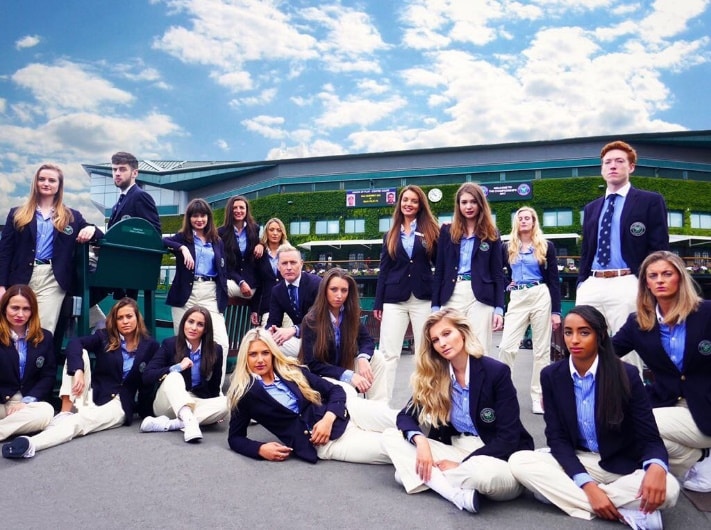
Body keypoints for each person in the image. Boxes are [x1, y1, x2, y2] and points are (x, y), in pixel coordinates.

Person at [509, 305, 679, 527]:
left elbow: (649, 437)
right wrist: (588, 486)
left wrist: (656, 467)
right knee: (520, 461)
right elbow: (557, 438)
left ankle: (563, 496)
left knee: (670, 489)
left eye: (584, 332)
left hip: (622, 466)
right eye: (568, 332)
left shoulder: (626, 375)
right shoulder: (551, 376)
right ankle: (621, 510)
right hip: (579, 460)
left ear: (600, 335)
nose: (574, 340)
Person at [382, 308, 533, 514]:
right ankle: (458, 494)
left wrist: (461, 464)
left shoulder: (496, 372)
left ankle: (433, 480)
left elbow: (509, 437)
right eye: (435, 340)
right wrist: (421, 441)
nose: (442, 343)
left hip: (495, 456)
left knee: (478, 476)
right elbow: (405, 416)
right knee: (391, 437)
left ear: (462, 332)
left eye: (446, 334)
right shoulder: (436, 376)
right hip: (456, 446)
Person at [2, 298, 159, 459]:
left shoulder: (150, 345)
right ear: (114, 321)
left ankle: (31, 444)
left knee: (79, 422)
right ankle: (65, 412)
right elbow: (75, 343)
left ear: (137, 318)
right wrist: (77, 371)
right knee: (79, 353)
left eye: (129, 316)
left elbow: (148, 380)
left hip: (119, 404)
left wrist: (146, 411)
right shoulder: (104, 336)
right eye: (120, 318)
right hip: (92, 395)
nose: (125, 321)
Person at [613, 251, 711, 492]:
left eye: (667, 274)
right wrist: (560, 378)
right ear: (645, 282)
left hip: (706, 408)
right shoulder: (638, 322)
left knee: (638, 424)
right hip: (668, 403)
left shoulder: (707, 313)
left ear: (680, 278)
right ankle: (697, 462)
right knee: (636, 431)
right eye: (653, 275)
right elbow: (606, 353)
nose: (660, 280)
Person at [227, 328, 396, 464]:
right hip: (327, 443)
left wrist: (328, 419)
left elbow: (335, 390)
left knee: (399, 420)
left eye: (265, 352)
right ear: (245, 358)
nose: (260, 360)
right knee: (390, 446)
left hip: (349, 411)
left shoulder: (292, 371)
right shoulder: (244, 394)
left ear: (272, 353)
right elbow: (235, 438)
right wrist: (260, 449)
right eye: (253, 354)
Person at [576, 140, 669, 375]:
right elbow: (587, 250)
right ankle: (589, 402)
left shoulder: (650, 201)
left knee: (627, 353)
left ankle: (629, 406)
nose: (613, 166)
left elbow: (659, 249)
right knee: (584, 347)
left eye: (619, 161)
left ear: (632, 167)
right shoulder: (591, 208)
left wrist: (648, 286)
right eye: (608, 162)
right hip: (593, 283)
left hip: (627, 281)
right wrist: (581, 282)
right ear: (602, 169)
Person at [0, 164, 101, 333]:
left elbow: (98, 234)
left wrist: (92, 229)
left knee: (43, 328)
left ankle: (38, 359)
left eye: (52, 180)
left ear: (59, 186)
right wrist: (1, 285)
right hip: (20, 276)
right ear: (35, 183)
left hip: (53, 278)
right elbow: (5, 252)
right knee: (14, 327)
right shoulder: (17, 213)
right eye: (42, 179)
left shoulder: (71, 216)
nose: (46, 183)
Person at [374, 185, 439, 400]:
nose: (408, 204)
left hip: (423, 298)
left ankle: (424, 403)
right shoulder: (390, 235)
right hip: (394, 299)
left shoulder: (431, 231)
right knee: (387, 354)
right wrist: (378, 303)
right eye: (405, 200)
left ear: (420, 205)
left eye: (414, 201)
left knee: (424, 353)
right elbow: (384, 270)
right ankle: (380, 404)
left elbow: (440, 265)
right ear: (399, 203)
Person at [498, 207, 561, 414]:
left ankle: (539, 396)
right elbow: (497, 271)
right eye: (521, 218)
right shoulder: (507, 247)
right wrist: (508, 283)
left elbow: (553, 279)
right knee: (507, 347)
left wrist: (556, 312)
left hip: (540, 293)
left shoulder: (546, 246)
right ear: (516, 222)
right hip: (517, 297)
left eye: (528, 218)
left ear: (534, 222)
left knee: (541, 350)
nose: (524, 221)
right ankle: (503, 393)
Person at [432, 183, 505, 355]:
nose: (469, 206)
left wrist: (499, 309)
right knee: (450, 349)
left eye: (473, 202)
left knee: (478, 349)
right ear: (458, 205)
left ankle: (479, 382)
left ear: (481, 204)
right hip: (451, 294)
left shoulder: (492, 233)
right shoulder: (447, 231)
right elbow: (439, 270)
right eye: (464, 202)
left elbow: (498, 273)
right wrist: (435, 305)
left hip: (481, 296)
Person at [163, 198, 230, 386]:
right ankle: (183, 388)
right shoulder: (182, 237)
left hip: (210, 293)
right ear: (189, 218)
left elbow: (223, 270)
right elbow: (162, 240)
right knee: (182, 344)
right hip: (186, 294)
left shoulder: (217, 241)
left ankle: (214, 389)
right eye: (195, 216)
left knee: (221, 342)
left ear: (208, 217)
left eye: (203, 215)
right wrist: (182, 247)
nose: (199, 219)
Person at [140, 306, 228, 443]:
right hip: (167, 402)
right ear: (184, 323)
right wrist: (177, 367)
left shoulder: (215, 350)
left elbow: (214, 387)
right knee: (174, 376)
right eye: (190, 322)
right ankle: (190, 422)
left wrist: (217, 411)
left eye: (200, 324)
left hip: (194, 400)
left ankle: (172, 424)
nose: (194, 327)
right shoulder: (170, 344)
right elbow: (147, 376)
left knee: (226, 403)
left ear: (206, 329)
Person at [299, 268, 388, 402]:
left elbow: (367, 340)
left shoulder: (349, 315)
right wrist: (348, 375)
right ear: (324, 291)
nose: (339, 295)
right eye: (334, 289)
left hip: (345, 366)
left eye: (344, 290)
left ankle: (379, 406)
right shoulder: (311, 320)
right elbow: (311, 364)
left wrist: (363, 359)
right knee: (347, 392)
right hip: (322, 375)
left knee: (378, 358)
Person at [0, 285, 55, 445]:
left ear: (33, 311)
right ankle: (13, 428)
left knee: (46, 411)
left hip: (26, 404)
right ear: (4, 308)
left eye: (26, 309)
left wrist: (25, 402)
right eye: (15, 308)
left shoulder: (45, 337)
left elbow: (48, 376)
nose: (20, 314)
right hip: (1, 400)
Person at [266, 244, 321, 358]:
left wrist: (294, 330)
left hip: (323, 339)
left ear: (301, 264)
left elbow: (320, 319)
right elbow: (273, 321)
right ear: (278, 266)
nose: (289, 267)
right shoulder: (277, 290)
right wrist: (269, 332)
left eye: (293, 262)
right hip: (301, 341)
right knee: (263, 343)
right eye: (284, 263)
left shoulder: (316, 284)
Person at [218, 195, 263, 300]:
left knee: (219, 288)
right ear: (230, 210)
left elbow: (265, 243)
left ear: (246, 210)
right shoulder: (221, 233)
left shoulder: (254, 229)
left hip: (250, 285)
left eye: (242, 207)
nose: (238, 210)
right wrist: (240, 281)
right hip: (232, 280)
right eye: (235, 208)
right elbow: (224, 263)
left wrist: (261, 245)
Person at [107, 151, 161, 233]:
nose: (117, 173)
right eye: (114, 170)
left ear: (135, 173)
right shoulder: (116, 205)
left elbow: (153, 233)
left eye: (122, 169)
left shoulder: (140, 196)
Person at [251, 217, 288, 327]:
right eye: (271, 230)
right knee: (267, 340)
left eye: (278, 230)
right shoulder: (259, 254)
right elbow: (257, 284)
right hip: (268, 307)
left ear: (282, 233)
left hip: (288, 307)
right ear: (266, 232)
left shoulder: (288, 252)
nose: (275, 233)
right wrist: (255, 309)